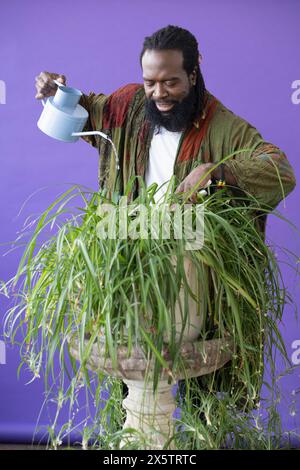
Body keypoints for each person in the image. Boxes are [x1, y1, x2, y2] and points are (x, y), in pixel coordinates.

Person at [35, 24, 296, 412]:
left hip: (190, 280)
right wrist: (57, 95)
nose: (159, 94)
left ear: (194, 72)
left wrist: (218, 171)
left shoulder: (222, 125)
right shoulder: (128, 106)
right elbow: (88, 114)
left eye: (171, 82)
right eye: (150, 82)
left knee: (200, 398)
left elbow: (280, 170)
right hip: (130, 268)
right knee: (132, 388)